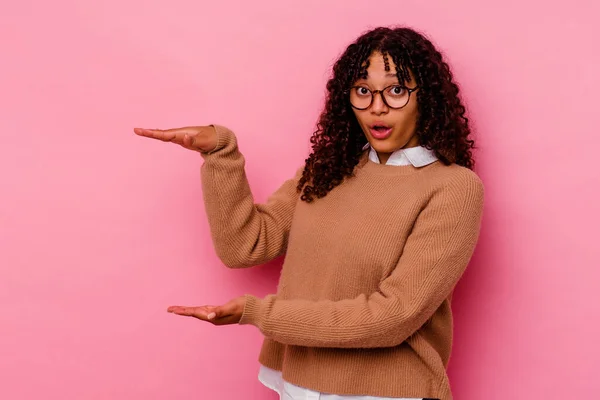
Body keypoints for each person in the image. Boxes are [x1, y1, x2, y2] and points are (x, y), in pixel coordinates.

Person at [134, 26, 484, 400]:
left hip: (389, 393)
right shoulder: (328, 169)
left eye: (396, 90)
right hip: (298, 385)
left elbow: (393, 316)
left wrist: (260, 314)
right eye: (363, 90)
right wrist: (220, 153)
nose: (377, 107)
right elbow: (245, 246)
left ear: (425, 98)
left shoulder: (453, 188)